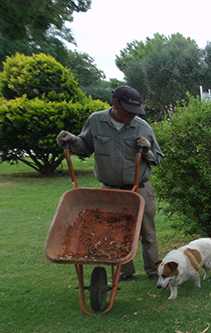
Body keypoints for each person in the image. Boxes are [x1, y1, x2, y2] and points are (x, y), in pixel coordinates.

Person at [57, 85, 164, 281]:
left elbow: (159, 158)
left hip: (140, 189)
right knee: (116, 233)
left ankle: (154, 271)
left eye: (136, 112)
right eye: (129, 111)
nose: (133, 116)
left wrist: (147, 150)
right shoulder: (96, 121)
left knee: (148, 233)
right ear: (115, 104)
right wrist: (72, 140)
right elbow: (86, 146)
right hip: (110, 190)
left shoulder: (143, 127)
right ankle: (124, 271)